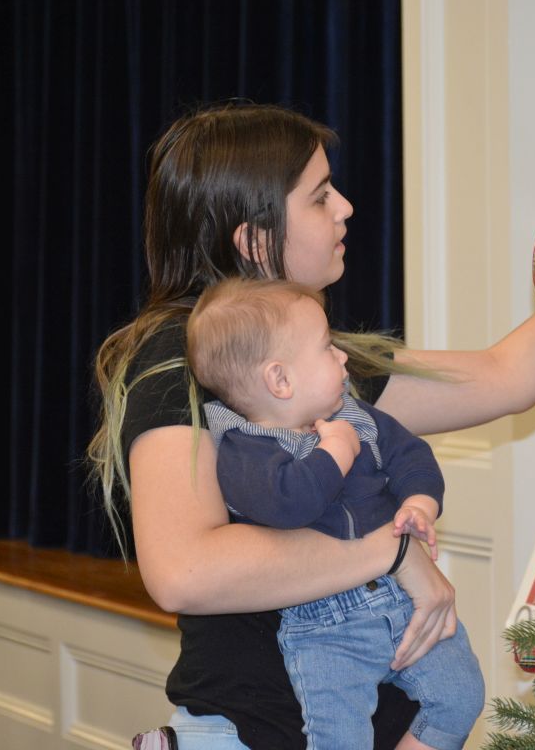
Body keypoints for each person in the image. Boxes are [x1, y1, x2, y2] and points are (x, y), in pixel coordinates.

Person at [87, 102, 535, 749]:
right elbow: (185, 570)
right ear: (254, 240)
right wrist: (391, 553)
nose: (344, 207)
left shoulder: (309, 365)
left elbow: (507, 375)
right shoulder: (184, 359)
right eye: (319, 197)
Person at [186, 277, 485, 750]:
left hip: (399, 597)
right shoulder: (245, 452)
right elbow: (289, 504)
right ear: (280, 380)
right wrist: (336, 452)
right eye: (327, 347)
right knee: (339, 739)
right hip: (324, 627)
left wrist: (419, 502)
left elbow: (410, 454)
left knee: (461, 695)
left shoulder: (354, 414)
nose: (343, 356)